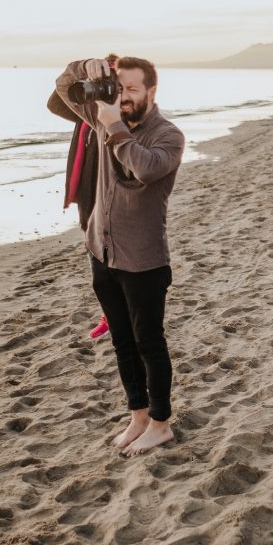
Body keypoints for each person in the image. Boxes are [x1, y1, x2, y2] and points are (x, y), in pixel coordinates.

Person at [54, 55, 185, 456]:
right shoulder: (102, 115)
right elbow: (63, 88)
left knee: (149, 344)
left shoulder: (168, 135)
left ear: (151, 91)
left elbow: (143, 170)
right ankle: (139, 417)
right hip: (102, 252)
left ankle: (161, 424)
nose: (123, 97)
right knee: (123, 344)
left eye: (131, 89)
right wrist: (87, 67)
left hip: (143, 261)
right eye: (118, 87)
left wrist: (112, 125)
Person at [46, 52, 121, 339]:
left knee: (116, 264)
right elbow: (54, 102)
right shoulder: (84, 111)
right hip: (89, 199)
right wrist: (85, 72)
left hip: (114, 200)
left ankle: (119, 314)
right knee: (98, 267)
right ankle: (110, 314)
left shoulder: (121, 114)